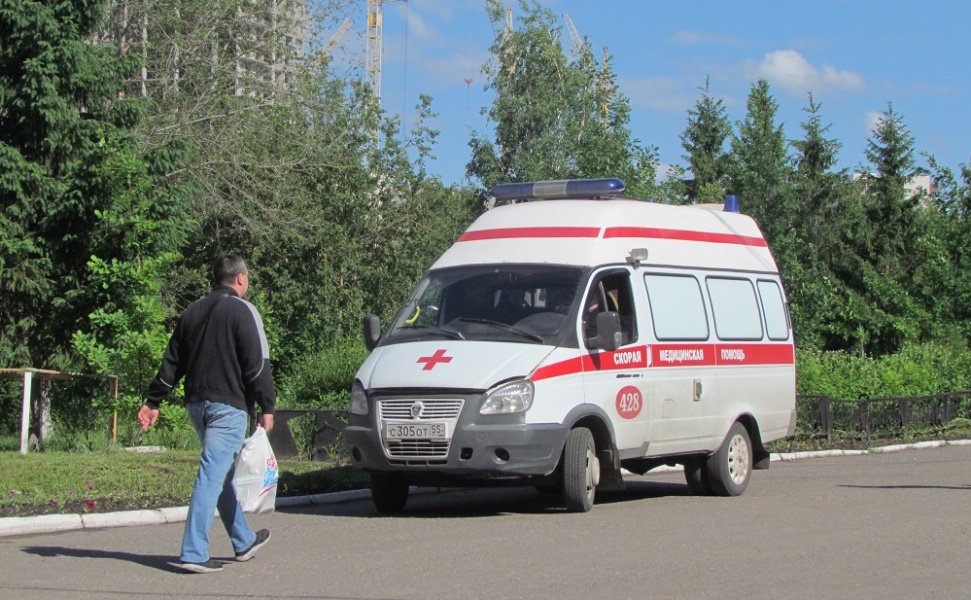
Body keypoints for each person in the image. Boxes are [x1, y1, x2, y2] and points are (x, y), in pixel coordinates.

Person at [138, 255, 276, 574]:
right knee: (211, 474)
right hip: (228, 407)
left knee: (220, 473)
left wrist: (153, 401)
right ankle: (194, 552)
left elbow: (172, 362)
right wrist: (267, 406)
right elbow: (257, 364)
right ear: (240, 278)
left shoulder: (192, 312)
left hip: (197, 404)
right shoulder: (243, 311)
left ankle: (243, 540)